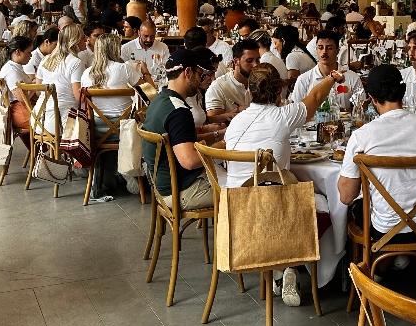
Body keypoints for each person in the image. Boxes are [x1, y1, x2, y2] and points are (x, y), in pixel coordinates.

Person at [223, 64, 339, 306]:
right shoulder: (282, 116)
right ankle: (298, 267)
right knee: (324, 203)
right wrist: (331, 78)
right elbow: (315, 97)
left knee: (285, 192)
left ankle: (279, 270)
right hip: (273, 209)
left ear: (249, 91)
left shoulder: (235, 123)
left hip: (236, 210)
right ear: (278, 91)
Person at [337, 65, 416, 252]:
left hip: (383, 230)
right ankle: (408, 260)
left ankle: (380, 263)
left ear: (372, 99)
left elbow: (346, 196)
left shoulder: (361, 136)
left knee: (357, 206)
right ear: (403, 91)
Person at [142, 47, 216, 211]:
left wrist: (216, 134)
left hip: (161, 185)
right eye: (199, 74)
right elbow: (190, 161)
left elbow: (180, 138)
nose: (200, 80)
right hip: (179, 191)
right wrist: (223, 145)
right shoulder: (179, 111)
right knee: (238, 191)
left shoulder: (160, 99)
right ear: (188, 72)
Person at [82, 34, 139, 201]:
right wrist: (143, 71)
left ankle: (107, 177)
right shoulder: (124, 68)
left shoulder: (87, 73)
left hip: (96, 130)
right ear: (115, 49)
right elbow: (147, 90)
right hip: (125, 130)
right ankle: (131, 170)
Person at [36, 24, 87, 134]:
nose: (86, 39)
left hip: (38, 120)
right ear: (75, 41)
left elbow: (38, 90)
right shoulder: (76, 62)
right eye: (83, 37)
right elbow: (79, 96)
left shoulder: (45, 59)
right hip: (62, 122)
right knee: (94, 125)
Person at [291, 30, 363, 102]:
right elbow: (296, 107)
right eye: (320, 48)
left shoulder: (352, 78)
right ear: (316, 50)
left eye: (329, 48)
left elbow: (361, 105)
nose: (324, 52)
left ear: (337, 51)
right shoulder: (303, 80)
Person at [205, 39, 259, 123]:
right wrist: (237, 112)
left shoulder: (261, 82)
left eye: (258, 60)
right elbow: (212, 120)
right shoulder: (218, 87)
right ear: (236, 61)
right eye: (249, 61)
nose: (256, 65)